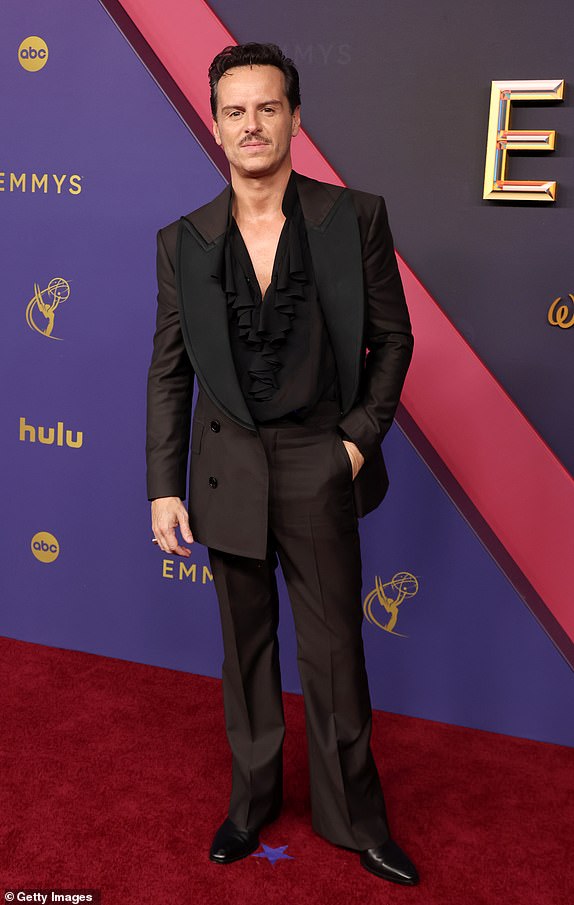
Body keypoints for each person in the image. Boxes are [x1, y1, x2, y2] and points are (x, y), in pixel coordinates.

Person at [146, 42, 418, 886]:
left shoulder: (355, 216)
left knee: (336, 651)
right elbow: (169, 369)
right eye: (235, 111)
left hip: (318, 457)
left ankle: (354, 817)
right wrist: (162, 485)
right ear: (216, 125)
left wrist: (355, 438)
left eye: (268, 108)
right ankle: (251, 802)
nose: (251, 125)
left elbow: (394, 339)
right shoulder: (183, 241)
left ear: (295, 118)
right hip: (227, 467)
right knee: (246, 648)